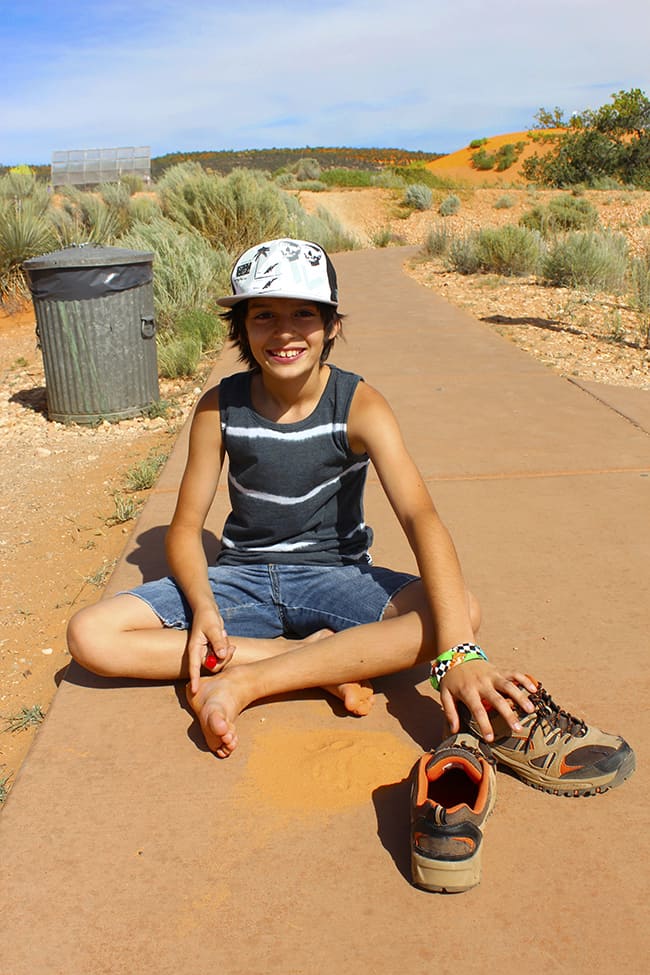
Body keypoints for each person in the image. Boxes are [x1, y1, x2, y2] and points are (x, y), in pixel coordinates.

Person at [67, 238, 634, 798]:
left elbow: (420, 515)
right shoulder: (220, 405)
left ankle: (250, 678)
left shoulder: (358, 404)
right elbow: (187, 528)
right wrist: (206, 606)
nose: (285, 332)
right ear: (241, 328)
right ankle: (312, 660)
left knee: (460, 610)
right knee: (91, 637)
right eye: (263, 315)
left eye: (303, 315)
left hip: (334, 577)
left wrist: (459, 650)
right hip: (240, 578)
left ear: (332, 325)